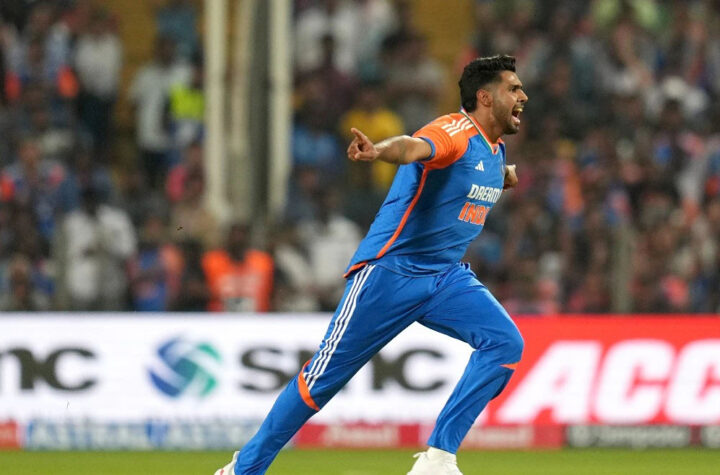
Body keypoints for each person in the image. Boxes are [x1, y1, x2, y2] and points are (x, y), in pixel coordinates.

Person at [215, 54, 528, 475]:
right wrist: (379, 150)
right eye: (514, 88)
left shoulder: (494, 151)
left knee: (505, 343)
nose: (523, 96)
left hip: (444, 277)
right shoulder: (453, 131)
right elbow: (413, 147)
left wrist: (502, 175)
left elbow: (472, 175)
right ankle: (242, 469)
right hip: (390, 273)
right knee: (320, 381)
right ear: (485, 98)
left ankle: (437, 460)